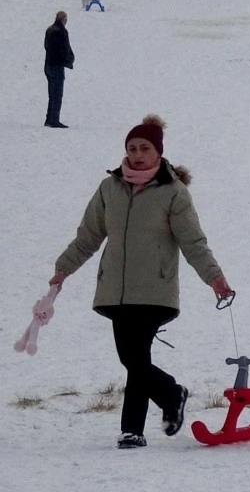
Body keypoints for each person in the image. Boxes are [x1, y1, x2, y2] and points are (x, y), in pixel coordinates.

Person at [48, 115, 234, 449]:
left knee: (135, 359)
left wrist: (215, 278)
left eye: (144, 148)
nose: (136, 154)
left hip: (155, 290)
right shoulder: (110, 188)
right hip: (116, 290)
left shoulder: (173, 192)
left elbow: (193, 242)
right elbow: (88, 236)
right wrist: (64, 268)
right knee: (135, 359)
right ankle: (163, 401)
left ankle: (141, 420)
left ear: (158, 152)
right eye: (131, 148)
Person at [44, 10, 74, 128]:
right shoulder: (62, 32)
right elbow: (64, 49)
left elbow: (47, 46)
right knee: (57, 94)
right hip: (57, 66)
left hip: (48, 65)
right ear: (64, 20)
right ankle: (54, 119)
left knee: (51, 93)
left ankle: (49, 118)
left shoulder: (49, 30)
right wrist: (68, 60)